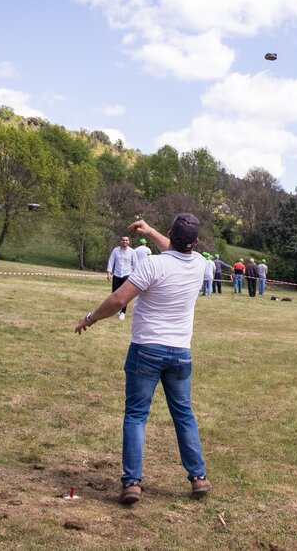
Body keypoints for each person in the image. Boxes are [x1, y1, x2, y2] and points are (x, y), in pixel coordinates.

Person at [75, 214, 212, 504]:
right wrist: (150, 231)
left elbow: (118, 300)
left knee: (137, 416)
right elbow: (176, 249)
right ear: (196, 242)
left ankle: (132, 484)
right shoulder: (199, 263)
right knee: (184, 415)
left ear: (170, 233)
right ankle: (198, 477)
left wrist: (90, 318)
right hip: (180, 353)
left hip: (146, 350)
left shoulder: (153, 264)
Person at [106, 235, 137, 320]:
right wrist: (109, 272)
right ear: (120, 241)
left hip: (127, 275)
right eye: (123, 240)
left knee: (125, 295)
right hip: (116, 274)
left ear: (129, 242)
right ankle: (117, 310)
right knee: (115, 293)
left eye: (126, 240)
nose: (125, 242)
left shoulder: (132, 252)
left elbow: (135, 265)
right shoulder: (115, 250)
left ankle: (123, 312)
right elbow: (111, 261)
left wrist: (134, 275)